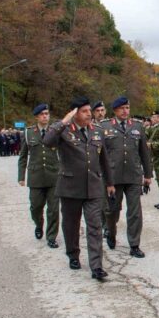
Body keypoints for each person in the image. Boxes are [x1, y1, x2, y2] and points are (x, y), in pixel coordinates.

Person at [43, 97, 115, 281]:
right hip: (70, 188)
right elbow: (47, 141)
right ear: (74, 114)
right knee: (71, 225)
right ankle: (73, 255)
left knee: (95, 227)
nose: (89, 114)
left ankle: (96, 266)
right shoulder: (64, 131)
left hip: (93, 187)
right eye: (84, 111)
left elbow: (104, 159)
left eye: (89, 111)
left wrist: (110, 183)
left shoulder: (97, 131)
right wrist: (64, 121)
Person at [101, 97, 153, 257]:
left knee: (135, 212)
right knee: (111, 211)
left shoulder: (137, 126)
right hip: (113, 177)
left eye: (127, 108)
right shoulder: (105, 126)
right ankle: (110, 231)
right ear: (115, 110)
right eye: (122, 108)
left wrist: (148, 174)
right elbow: (101, 155)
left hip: (133, 176)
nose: (125, 111)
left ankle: (134, 244)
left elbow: (144, 152)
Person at [18, 104, 61, 248]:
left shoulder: (55, 132)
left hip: (54, 175)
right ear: (37, 116)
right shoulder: (28, 133)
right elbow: (23, 156)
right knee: (35, 207)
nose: (45, 116)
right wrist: (21, 176)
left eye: (47, 113)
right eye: (42, 114)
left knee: (54, 209)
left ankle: (51, 237)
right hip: (35, 176)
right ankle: (38, 224)